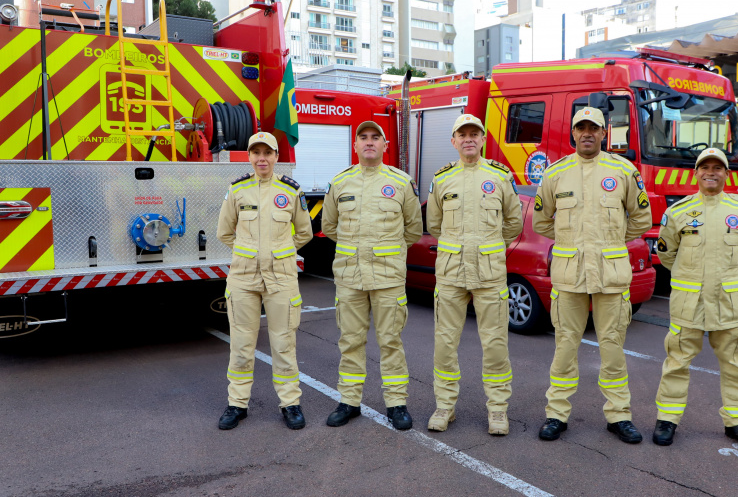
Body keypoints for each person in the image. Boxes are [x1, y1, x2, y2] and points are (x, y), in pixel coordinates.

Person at [532, 107, 652, 443]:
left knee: (612, 348)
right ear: (573, 134)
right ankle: (556, 414)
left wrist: (610, 242)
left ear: (604, 132)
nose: (587, 133)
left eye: (594, 128)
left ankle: (619, 416)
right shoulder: (556, 173)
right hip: (570, 274)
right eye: (581, 128)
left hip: (610, 274)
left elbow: (642, 218)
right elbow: (542, 221)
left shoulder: (624, 171)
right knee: (565, 347)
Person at [651, 147, 738, 449]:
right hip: (689, 303)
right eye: (705, 167)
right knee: (676, 362)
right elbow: (666, 254)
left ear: (726, 173)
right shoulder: (678, 212)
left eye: (717, 168)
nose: (710, 172)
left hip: (728, 304)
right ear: (696, 173)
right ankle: (667, 420)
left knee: (735, 364)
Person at [425, 114, 524, 435]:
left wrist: (490, 247)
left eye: (474, 134)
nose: (468, 138)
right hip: (451, 273)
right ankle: (444, 406)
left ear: (483, 139)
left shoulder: (499, 176)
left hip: (489, 274)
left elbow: (513, 223)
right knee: (444, 343)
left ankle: (497, 410)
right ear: (453, 141)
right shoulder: (442, 179)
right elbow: (434, 225)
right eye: (462, 134)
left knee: (495, 344)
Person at [322, 121, 423, 430]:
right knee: (350, 341)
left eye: (375, 137)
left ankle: (396, 404)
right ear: (355, 145)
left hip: (387, 278)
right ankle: (349, 402)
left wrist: (384, 251)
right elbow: (329, 227)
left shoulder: (401, 183)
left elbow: (413, 230)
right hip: (350, 276)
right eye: (362, 137)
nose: (369, 142)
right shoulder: (340, 183)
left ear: (385, 145)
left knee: (391, 342)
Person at [216, 132, 313, 430]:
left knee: (284, 343)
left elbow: (304, 232)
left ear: (275, 157)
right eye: (256, 152)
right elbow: (225, 232)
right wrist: (250, 255)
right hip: (243, 278)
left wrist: (279, 254)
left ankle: (290, 404)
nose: (262, 158)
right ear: (249, 156)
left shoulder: (290, 190)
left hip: (281, 277)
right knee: (242, 344)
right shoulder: (237, 190)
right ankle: (237, 404)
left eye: (267, 153)